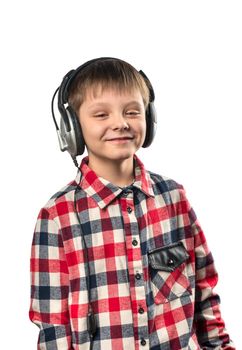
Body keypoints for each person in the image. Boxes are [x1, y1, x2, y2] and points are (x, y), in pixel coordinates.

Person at [29, 57, 235, 350]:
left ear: (148, 119)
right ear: (72, 128)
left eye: (132, 111)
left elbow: (204, 295)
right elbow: (53, 326)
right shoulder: (56, 216)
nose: (120, 122)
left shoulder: (174, 198)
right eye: (101, 115)